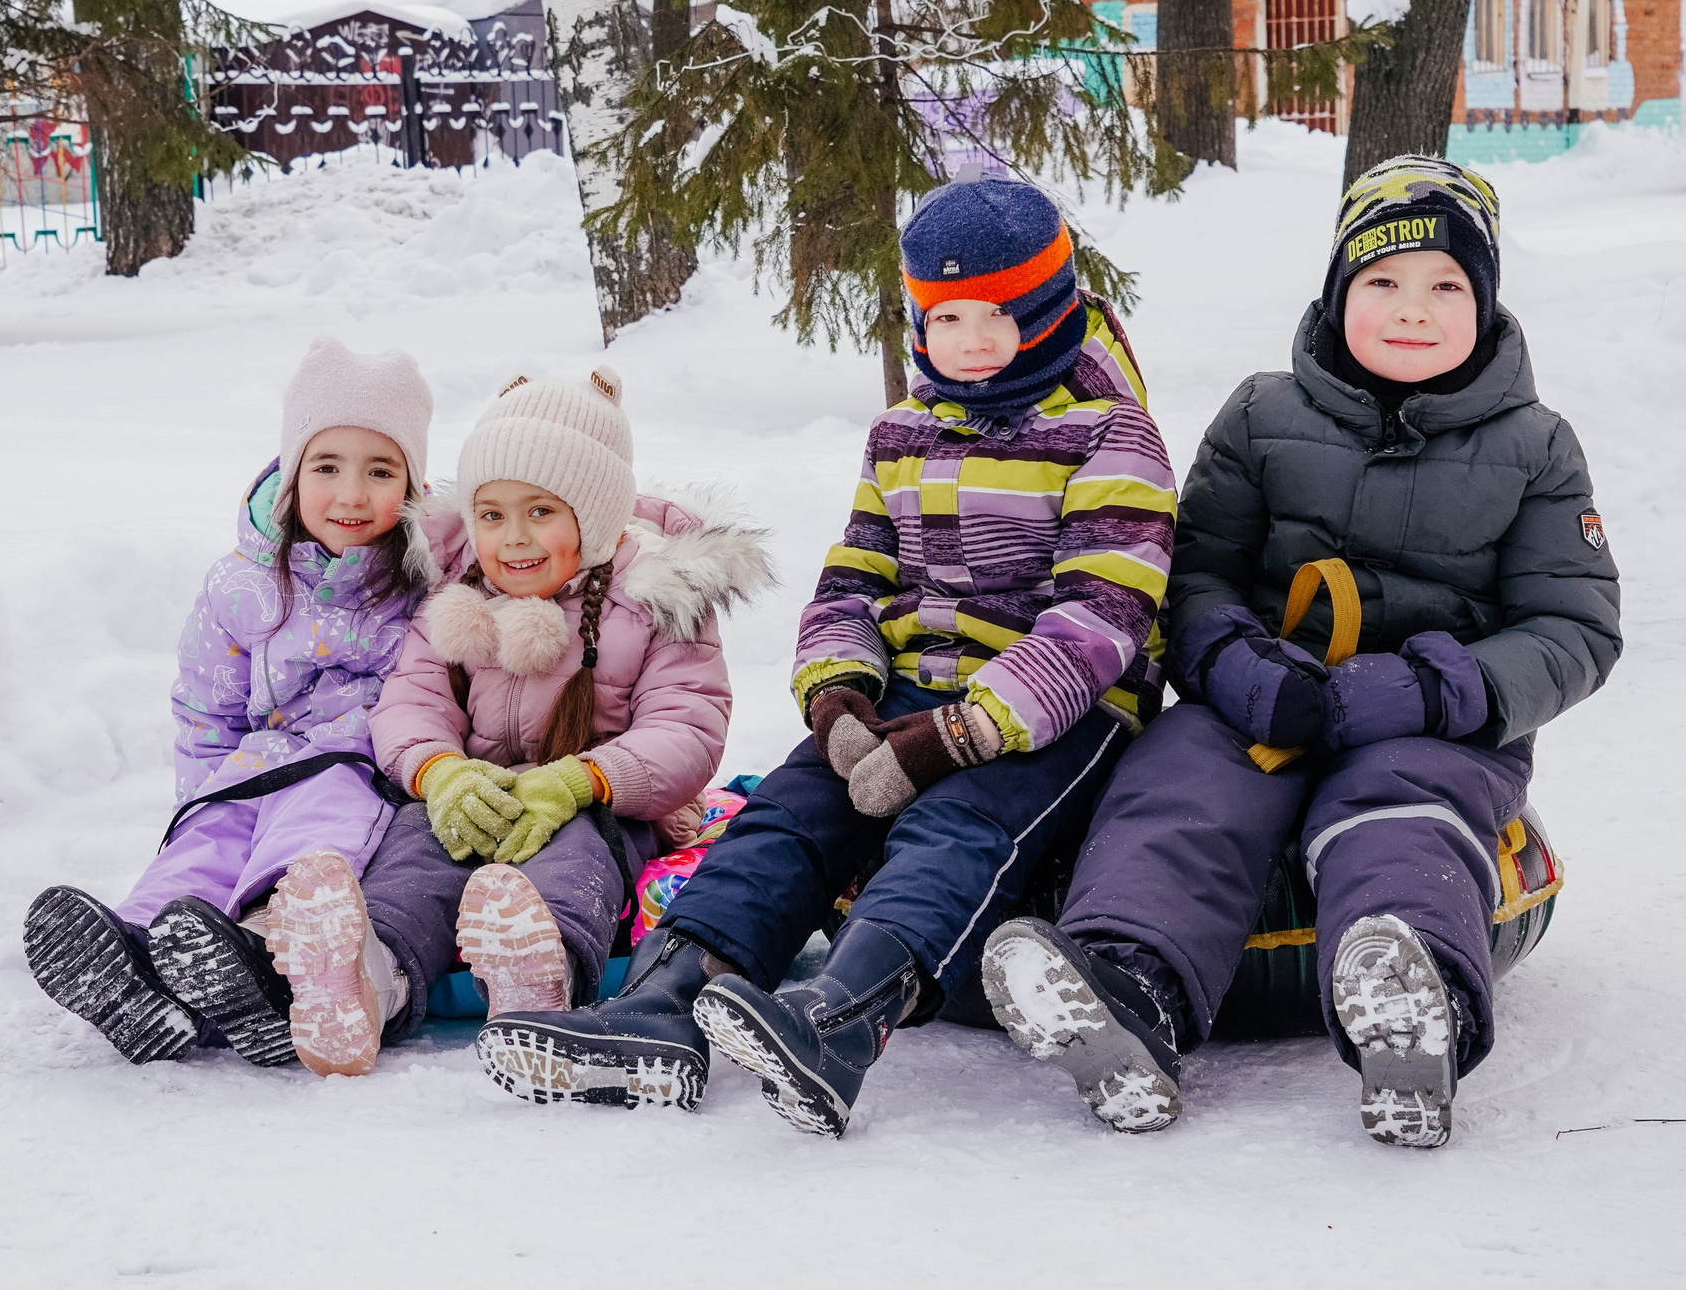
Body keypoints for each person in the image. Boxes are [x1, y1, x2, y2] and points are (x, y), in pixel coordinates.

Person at [476, 178, 1176, 1136]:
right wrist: (840, 698)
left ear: (1051, 308)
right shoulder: (903, 432)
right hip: (905, 690)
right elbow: (855, 576)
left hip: (1053, 713)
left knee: (954, 829)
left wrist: (959, 736)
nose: (971, 341)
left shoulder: (1110, 433)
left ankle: (842, 1018)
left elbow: (1101, 617)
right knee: (792, 809)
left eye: (999, 315)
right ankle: (663, 1002)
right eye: (948, 318)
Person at [980, 155, 1621, 1148]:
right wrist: (1236, 664)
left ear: (1487, 303)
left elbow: (1574, 627)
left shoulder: (1535, 446)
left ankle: (1414, 1008)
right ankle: (1129, 989)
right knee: (1180, 783)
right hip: (1265, 697)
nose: (1413, 310)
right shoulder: (1259, 416)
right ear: (1337, 291)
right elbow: (1192, 574)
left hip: (1438, 722)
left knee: (1398, 811)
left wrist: (1436, 688)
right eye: (1383, 281)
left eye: (1447, 286)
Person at [258, 366, 772, 1078]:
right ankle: (372, 978)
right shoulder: (459, 590)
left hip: (600, 799)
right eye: (492, 515)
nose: (513, 538)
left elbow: (688, 725)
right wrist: (440, 773)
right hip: (479, 791)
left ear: (594, 515)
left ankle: (541, 972)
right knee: (415, 847)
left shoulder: (657, 600)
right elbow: (411, 699)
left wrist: (582, 780)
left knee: (578, 853)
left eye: (541, 512)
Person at [22, 338, 435, 1068]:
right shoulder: (242, 585)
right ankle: (138, 957)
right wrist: (199, 798)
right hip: (251, 766)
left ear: (411, 486)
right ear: (291, 474)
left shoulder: (425, 585)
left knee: (312, 834)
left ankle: (267, 947)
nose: (351, 493)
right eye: (327, 466)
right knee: (206, 844)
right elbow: (205, 709)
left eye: (380, 471)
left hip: (354, 764)